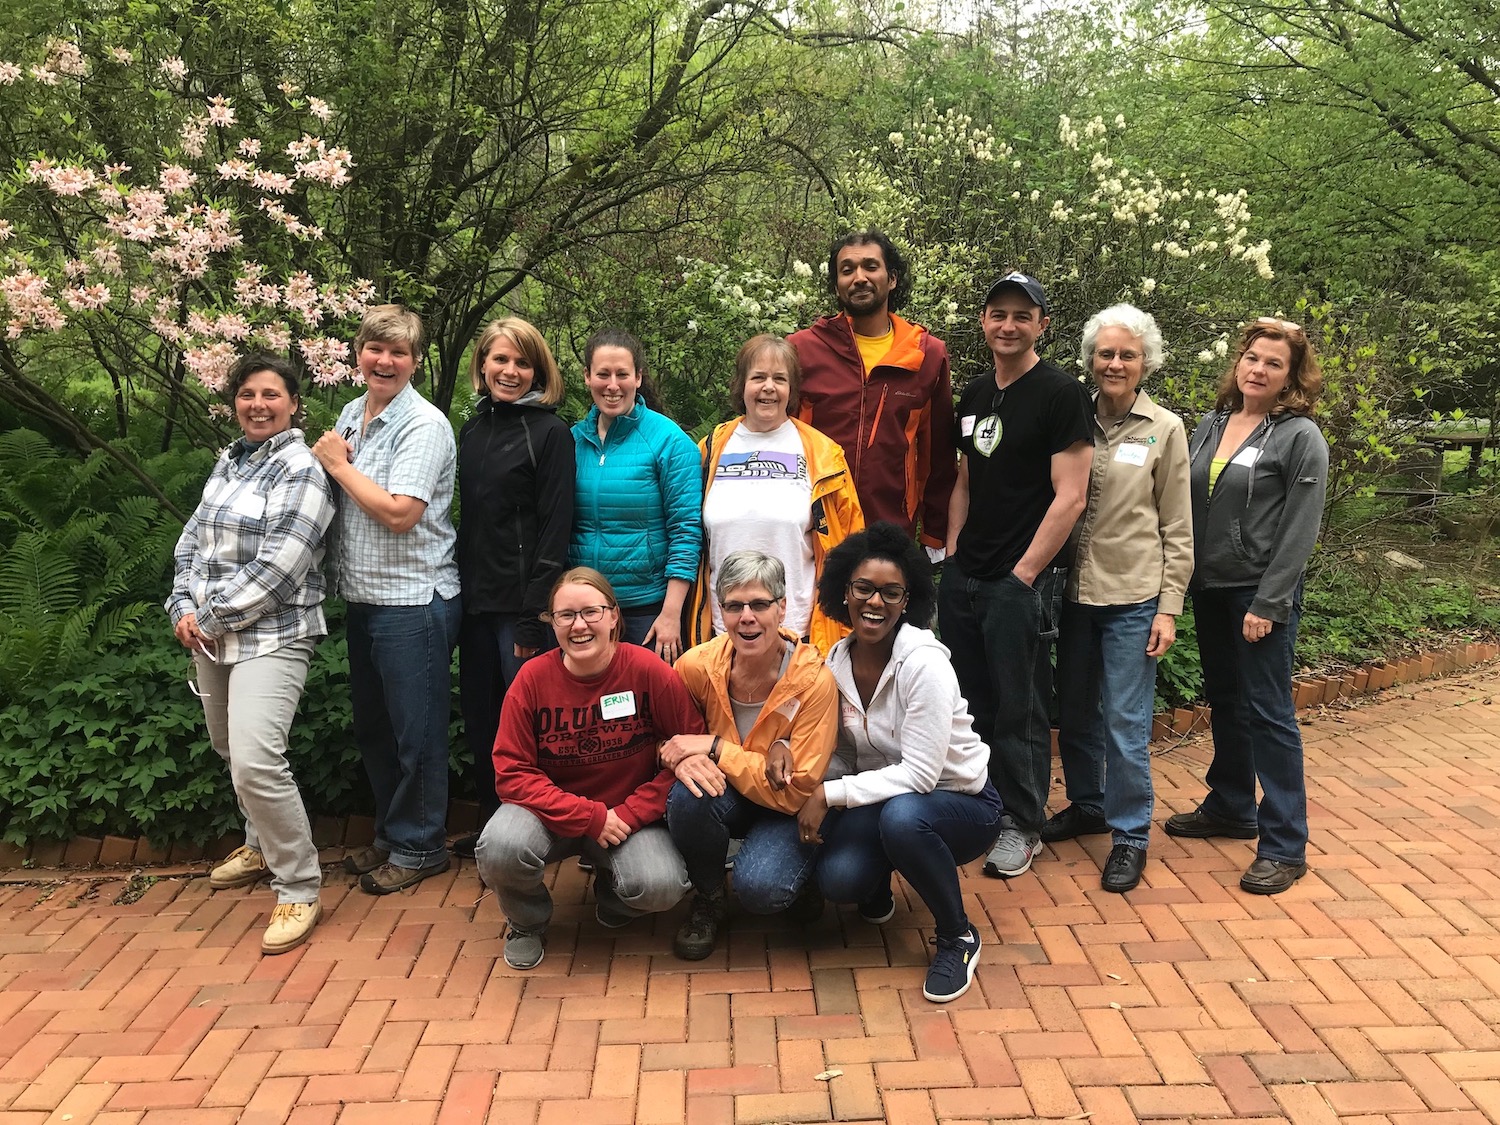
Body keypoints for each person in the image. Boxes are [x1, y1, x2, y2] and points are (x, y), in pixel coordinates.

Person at [167, 353, 336, 954]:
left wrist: (208, 616)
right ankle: (260, 843)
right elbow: (192, 540)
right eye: (247, 394)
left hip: (275, 634)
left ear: (293, 404)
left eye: (271, 395)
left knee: (257, 760)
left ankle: (299, 885)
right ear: (234, 402)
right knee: (228, 746)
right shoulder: (230, 461)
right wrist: (181, 607)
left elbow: (283, 566)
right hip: (211, 633)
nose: (258, 405)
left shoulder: (301, 469)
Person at [798, 523, 1004, 1004]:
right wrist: (805, 774)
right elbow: (844, 753)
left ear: (907, 600)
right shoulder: (837, 660)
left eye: (891, 593)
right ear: (843, 591)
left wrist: (828, 795)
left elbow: (920, 776)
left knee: (904, 819)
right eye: (864, 588)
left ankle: (957, 935)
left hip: (961, 803)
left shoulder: (924, 663)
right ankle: (878, 884)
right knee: (840, 880)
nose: (875, 602)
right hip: (890, 797)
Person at [1165, 317, 1329, 895]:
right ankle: (1232, 804)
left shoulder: (1300, 437)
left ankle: (1286, 844)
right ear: (1239, 364)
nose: (1258, 369)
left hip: (1259, 594)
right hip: (1210, 590)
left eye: (1273, 363)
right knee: (1228, 702)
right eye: (1252, 358)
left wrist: (1271, 600)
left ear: (1291, 377)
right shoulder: (1210, 425)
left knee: (1270, 713)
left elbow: (1300, 529)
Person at [937, 272, 1093, 878]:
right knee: (967, 701)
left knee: (1020, 705)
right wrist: (953, 555)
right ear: (983, 321)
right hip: (966, 576)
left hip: (1020, 581)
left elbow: (1071, 496)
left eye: (1021, 316)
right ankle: (978, 806)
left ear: (1042, 326)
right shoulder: (975, 395)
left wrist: (1025, 573)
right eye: (998, 314)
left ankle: (1023, 824)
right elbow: (965, 480)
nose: (1008, 325)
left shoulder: (1061, 395)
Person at [476, 568, 702, 969]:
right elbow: (511, 771)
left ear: (614, 616)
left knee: (660, 887)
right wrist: (588, 816)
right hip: (552, 813)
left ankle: (614, 892)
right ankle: (526, 921)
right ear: (552, 623)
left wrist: (628, 814)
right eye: (565, 615)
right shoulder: (532, 679)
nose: (579, 625)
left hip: (626, 818)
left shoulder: (646, 670)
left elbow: (691, 750)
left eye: (591, 612)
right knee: (500, 847)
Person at [1042, 305, 1193, 893]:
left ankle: (1130, 835)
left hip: (1133, 597)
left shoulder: (1165, 429)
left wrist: (1170, 607)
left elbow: (1178, 527)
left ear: (1145, 362)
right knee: (1075, 715)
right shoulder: (1072, 419)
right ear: (1090, 359)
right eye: (1106, 353)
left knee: (1126, 724)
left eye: (1127, 354)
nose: (1115, 363)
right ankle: (1089, 805)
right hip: (1074, 595)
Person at [312, 304, 460, 895]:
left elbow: (401, 513)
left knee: (415, 732)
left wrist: (335, 465)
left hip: (413, 600)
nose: (385, 360)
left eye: (398, 352)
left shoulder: (423, 425)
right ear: (358, 353)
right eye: (376, 348)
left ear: (415, 363)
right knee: (376, 727)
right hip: (366, 597)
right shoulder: (353, 413)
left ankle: (421, 846)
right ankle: (391, 834)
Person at [664, 551, 841, 960]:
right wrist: (675, 756)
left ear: (782, 608)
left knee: (762, 889)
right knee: (686, 799)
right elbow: (662, 738)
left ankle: (804, 872)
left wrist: (715, 748)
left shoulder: (813, 681)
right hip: (728, 796)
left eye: (760, 604)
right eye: (734, 605)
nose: (747, 616)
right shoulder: (696, 667)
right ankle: (709, 897)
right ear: (720, 610)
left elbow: (796, 792)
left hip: (785, 810)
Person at [453, 318, 575, 857]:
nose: (510, 371)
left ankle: (535, 833)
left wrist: (535, 615)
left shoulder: (551, 433)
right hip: (473, 603)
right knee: (482, 720)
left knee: (527, 726)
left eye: (522, 363)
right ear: (482, 364)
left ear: (538, 371)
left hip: (521, 610)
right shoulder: (473, 430)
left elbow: (556, 527)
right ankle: (489, 826)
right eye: (500, 360)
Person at [689, 334, 864, 654]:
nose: (768, 387)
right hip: (723, 630)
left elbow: (851, 546)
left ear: (792, 390)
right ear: (741, 385)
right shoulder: (710, 450)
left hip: (799, 632)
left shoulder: (824, 454)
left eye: (779, 379)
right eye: (758, 377)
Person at [789, 230, 956, 554]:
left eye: (870, 266)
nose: (859, 277)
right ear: (836, 283)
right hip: (810, 530)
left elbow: (938, 457)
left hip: (889, 532)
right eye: (847, 269)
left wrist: (934, 536)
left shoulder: (927, 355)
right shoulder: (802, 350)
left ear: (892, 278)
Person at [570, 329, 702, 664]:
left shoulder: (668, 441)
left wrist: (671, 614)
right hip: (585, 611)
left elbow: (686, 531)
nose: (612, 385)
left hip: (647, 610)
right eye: (602, 374)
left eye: (622, 374)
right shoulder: (570, 441)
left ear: (638, 378)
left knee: (643, 712)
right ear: (587, 377)